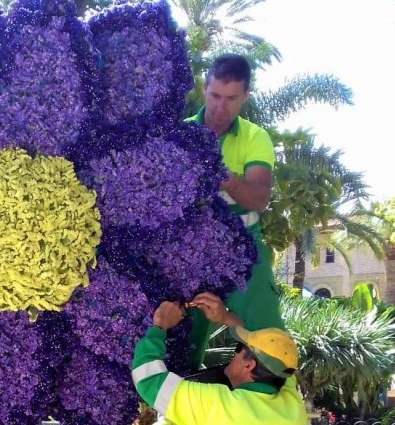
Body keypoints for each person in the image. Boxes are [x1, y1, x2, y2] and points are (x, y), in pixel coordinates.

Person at [185, 53, 284, 370]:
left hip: (245, 252)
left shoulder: (256, 138)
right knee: (179, 347)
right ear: (205, 89)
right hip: (186, 253)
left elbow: (259, 198)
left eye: (230, 98)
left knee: (270, 344)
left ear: (245, 97)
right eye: (215, 95)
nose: (220, 106)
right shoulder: (180, 134)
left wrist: (225, 178)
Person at [132, 296, 308, 425]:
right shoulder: (291, 404)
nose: (234, 352)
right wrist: (224, 317)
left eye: (239, 348)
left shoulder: (224, 407)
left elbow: (149, 379)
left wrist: (160, 324)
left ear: (249, 364)